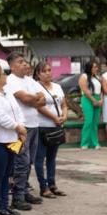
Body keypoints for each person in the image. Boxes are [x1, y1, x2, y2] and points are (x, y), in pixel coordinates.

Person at [0, 65, 27, 215]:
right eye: (3, 73)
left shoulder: (7, 94)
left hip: (13, 139)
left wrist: (21, 127)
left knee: (8, 174)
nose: (6, 75)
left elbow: (18, 112)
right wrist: (18, 127)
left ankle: (6, 206)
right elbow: (0, 117)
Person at [5, 53, 46, 211]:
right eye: (20, 62)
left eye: (25, 61)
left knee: (29, 162)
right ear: (12, 66)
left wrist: (33, 98)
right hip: (20, 129)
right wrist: (34, 99)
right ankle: (17, 197)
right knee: (20, 161)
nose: (25, 64)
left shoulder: (30, 80)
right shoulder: (11, 81)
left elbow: (43, 99)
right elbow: (25, 99)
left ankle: (24, 190)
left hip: (34, 126)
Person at [33, 62, 68, 199]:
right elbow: (38, 106)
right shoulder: (35, 86)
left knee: (52, 158)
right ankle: (43, 187)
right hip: (42, 126)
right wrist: (54, 117)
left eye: (49, 70)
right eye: (44, 71)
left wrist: (64, 116)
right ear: (38, 74)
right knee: (39, 158)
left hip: (56, 127)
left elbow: (63, 104)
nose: (48, 73)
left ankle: (52, 184)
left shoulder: (58, 87)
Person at [79, 61, 103, 149]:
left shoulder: (97, 77)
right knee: (88, 121)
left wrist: (101, 100)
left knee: (95, 123)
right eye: (94, 67)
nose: (96, 69)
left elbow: (101, 90)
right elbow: (85, 90)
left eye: (96, 67)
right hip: (87, 99)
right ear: (89, 68)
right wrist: (93, 100)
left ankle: (94, 143)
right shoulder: (84, 76)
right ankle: (84, 143)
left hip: (97, 99)